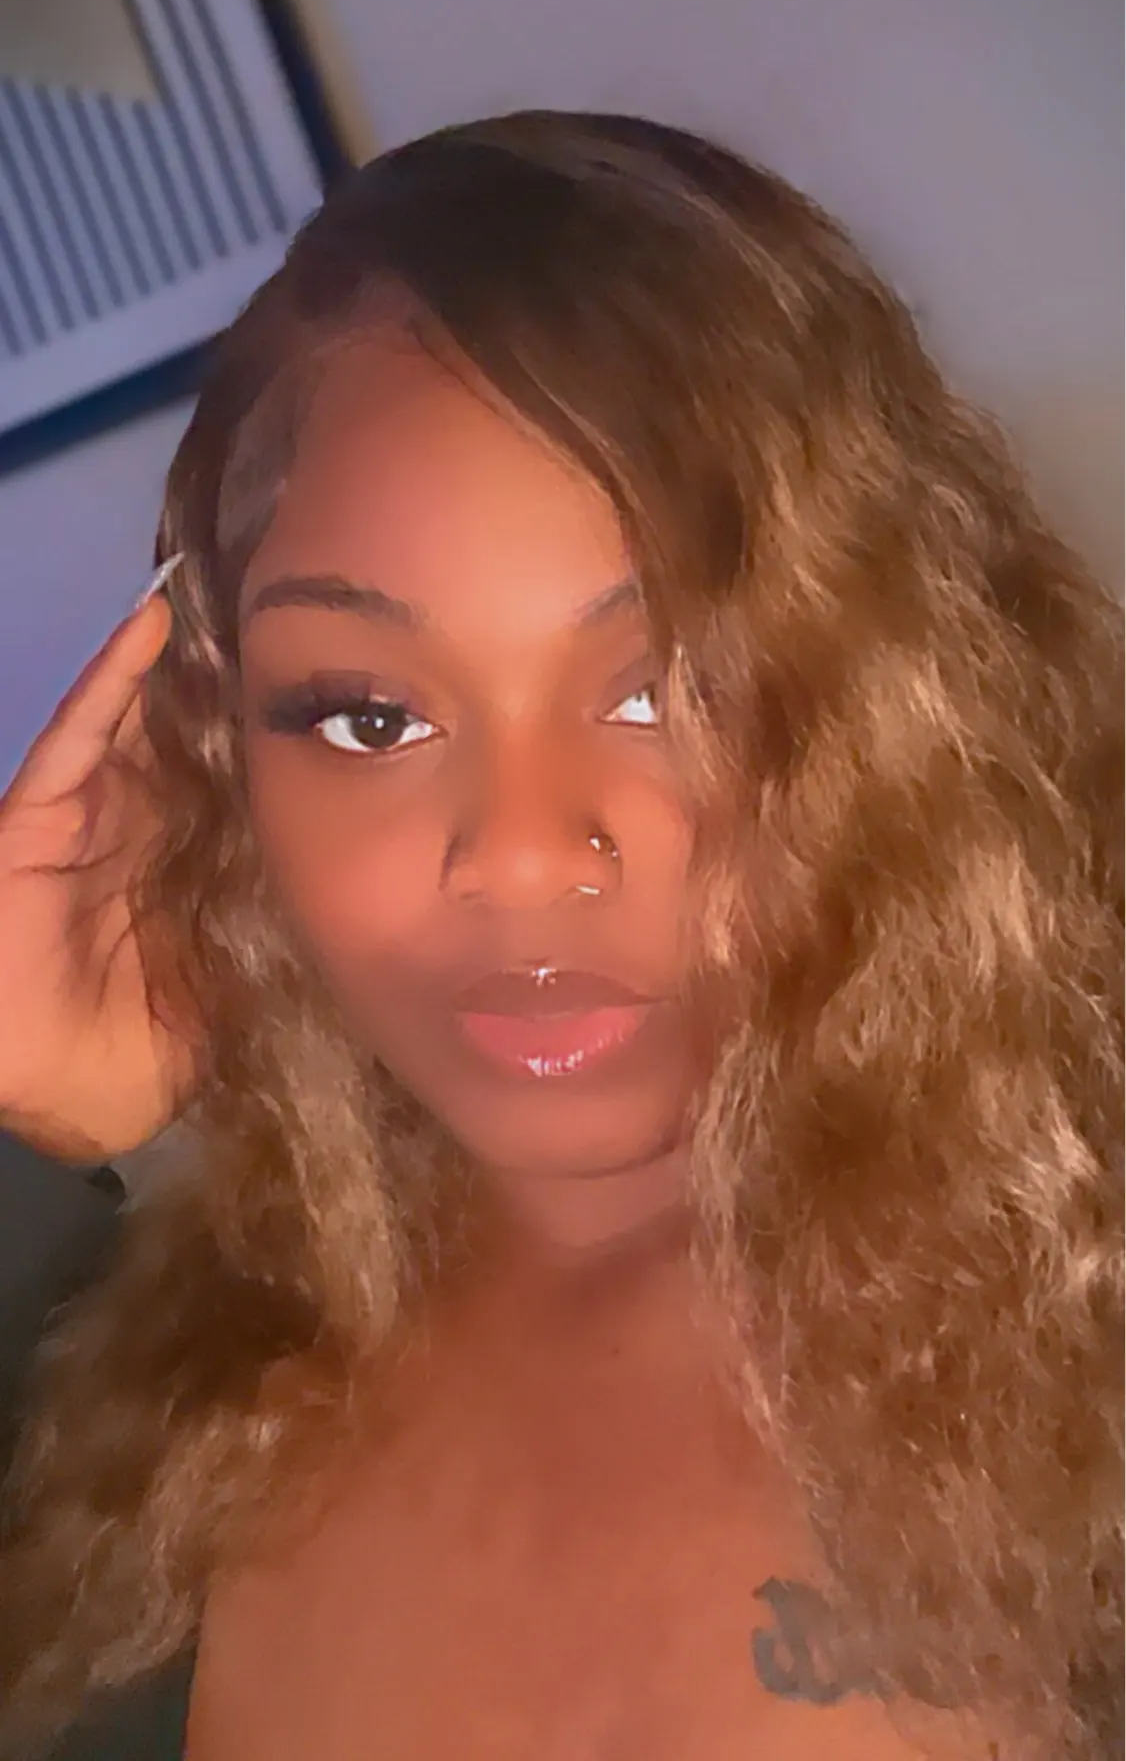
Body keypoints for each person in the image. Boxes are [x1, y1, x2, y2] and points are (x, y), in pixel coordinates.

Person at [0, 112, 1119, 1761]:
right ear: (223, 765)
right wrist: (28, 1127)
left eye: (673, 688)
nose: (521, 858)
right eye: (369, 715)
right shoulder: (122, 1380)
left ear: (913, 691)